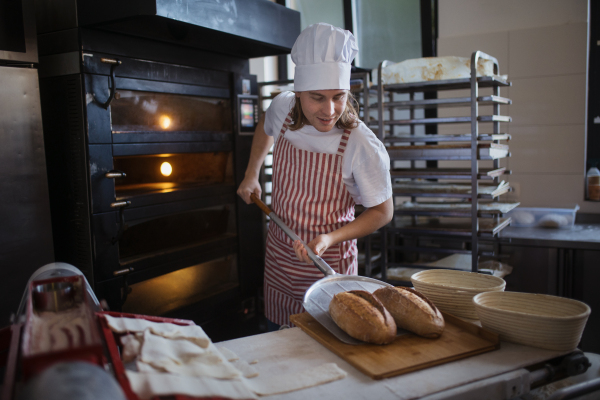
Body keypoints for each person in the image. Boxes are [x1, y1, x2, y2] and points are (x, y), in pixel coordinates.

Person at [237, 23, 393, 329]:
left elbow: (383, 211)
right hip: (281, 259)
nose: (330, 110)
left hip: (328, 265)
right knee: (278, 342)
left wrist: (330, 238)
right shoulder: (283, 108)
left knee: (326, 348)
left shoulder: (360, 143)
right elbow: (264, 127)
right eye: (317, 97)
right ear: (297, 93)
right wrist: (251, 173)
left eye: (339, 96)